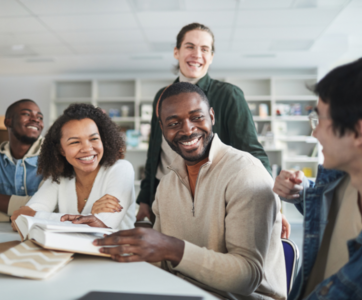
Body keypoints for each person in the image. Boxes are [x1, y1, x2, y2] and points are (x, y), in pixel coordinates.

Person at [63, 83, 286, 300]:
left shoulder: (246, 173)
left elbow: (247, 277)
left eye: (197, 117)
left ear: (212, 116)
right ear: (162, 129)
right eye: (174, 123)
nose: (187, 129)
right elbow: (161, 259)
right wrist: (106, 234)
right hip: (180, 289)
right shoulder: (168, 184)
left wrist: (173, 249)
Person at [136, 22, 270, 223]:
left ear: (211, 57)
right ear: (176, 52)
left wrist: (271, 202)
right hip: (164, 196)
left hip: (213, 198)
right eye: (190, 46)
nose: (197, 54)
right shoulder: (161, 97)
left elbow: (252, 153)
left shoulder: (229, 95)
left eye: (205, 49)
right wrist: (145, 200)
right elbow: (154, 152)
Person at [273, 58, 362, 300]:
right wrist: (301, 191)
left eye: (320, 120)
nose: (315, 132)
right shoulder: (341, 177)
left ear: (357, 132)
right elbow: (331, 206)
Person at [11, 103, 136, 230]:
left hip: (116, 250)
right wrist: (89, 216)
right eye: (75, 142)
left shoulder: (121, 169)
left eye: (94, 139)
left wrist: (39, 216)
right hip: (68, 250)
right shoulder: (60, 177)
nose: (87, 148)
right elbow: (19, 220)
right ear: (61, 149)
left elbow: (101, 228)